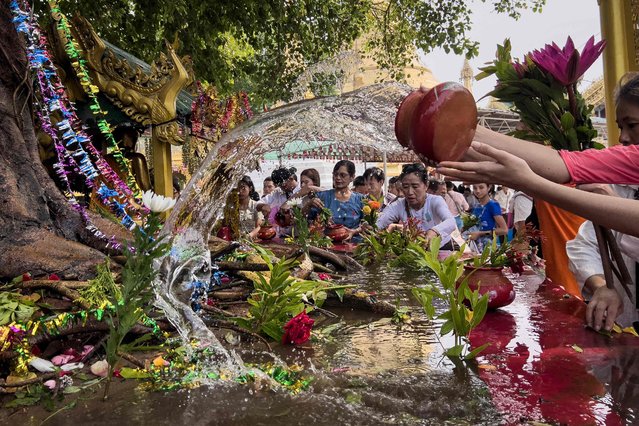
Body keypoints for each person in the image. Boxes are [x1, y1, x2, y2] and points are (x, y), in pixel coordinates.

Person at [567, 183, 639, 332]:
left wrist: (617, 207)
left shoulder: (612, 193)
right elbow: (584, 245)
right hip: (623, 322)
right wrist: (602, 285)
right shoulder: (625, 186)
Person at [376, 163, 456, 248]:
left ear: (426, 185)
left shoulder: (435, 201)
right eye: (405, 186)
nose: (410, 192)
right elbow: (380, 222)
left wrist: (434, 231)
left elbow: (451, 222)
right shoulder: (398, 205)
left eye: (415, 186)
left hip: (441, 247)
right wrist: (371, 227)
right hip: (416, 249)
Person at [307, 160, 364, 242]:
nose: (338, 178)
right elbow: (306, 220)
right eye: (335, 174)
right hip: (327, 246)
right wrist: (308, 205)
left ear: (352, 177)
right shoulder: (323, 196)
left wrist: (354, 231)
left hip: (354, 246)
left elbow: (369, 225)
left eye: (342, 175)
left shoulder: (360, 200)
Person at [467, 183, 509, 251]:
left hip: (488, 248)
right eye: (475, 188)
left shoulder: (493, 205)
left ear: (489, 188)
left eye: (481, 187)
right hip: (474, 247)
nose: (477, 191)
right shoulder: (476, 206)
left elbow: (504, 230)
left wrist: (480, 234)